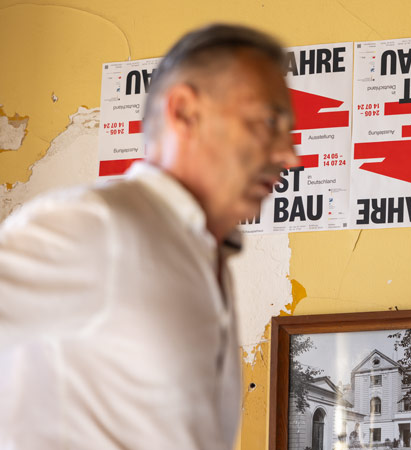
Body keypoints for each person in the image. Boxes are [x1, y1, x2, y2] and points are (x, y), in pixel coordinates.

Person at [0, 24, 297, 448]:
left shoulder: (207, 255)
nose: (289, 154)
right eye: (269, 121)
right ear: (185, 112)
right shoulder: (98, 226)